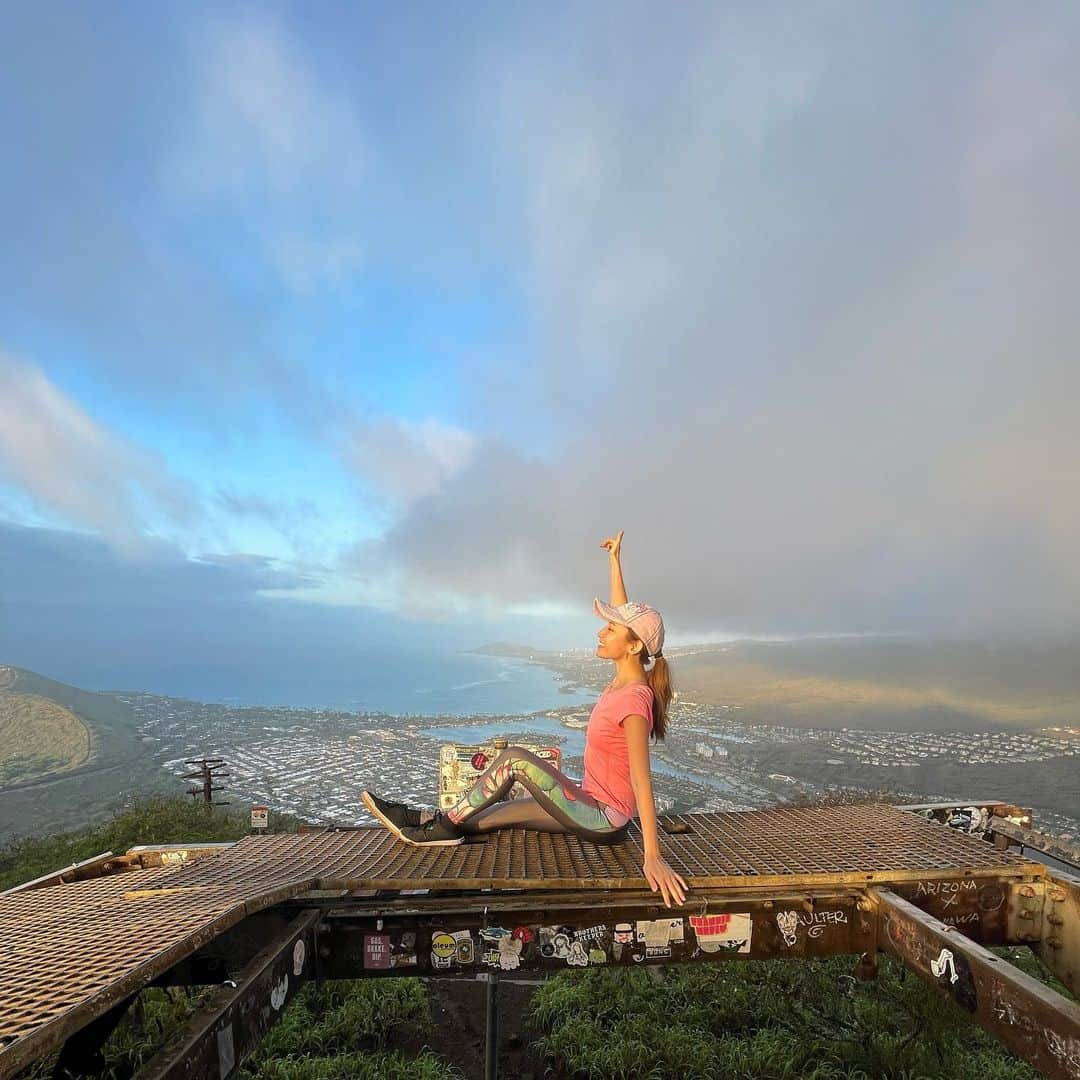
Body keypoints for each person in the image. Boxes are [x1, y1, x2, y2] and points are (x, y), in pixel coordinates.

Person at [361, 530, 689, 908]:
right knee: (488, 815)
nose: (601, 631)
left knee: (514, 759)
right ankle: (423, 819)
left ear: (632, 646)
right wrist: (614, 561)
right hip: (586, 800)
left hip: (603, 817)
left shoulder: (635, 699)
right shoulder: (626, 675)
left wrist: (653, 855)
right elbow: (625, 612)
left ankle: (436, 829)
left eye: (610, 629)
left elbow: (641, 779)